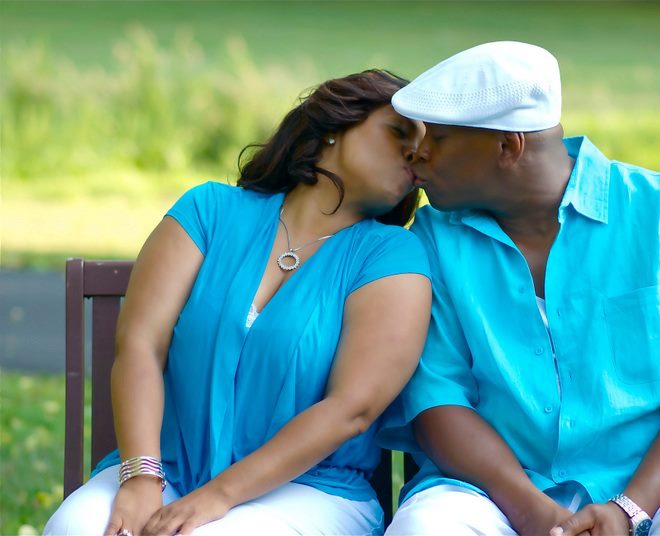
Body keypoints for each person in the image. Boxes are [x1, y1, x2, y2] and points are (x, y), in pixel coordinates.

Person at [378, 42, 660, 536]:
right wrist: (529, 509)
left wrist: (630, 508)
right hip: (483, 492)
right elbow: (438, 399)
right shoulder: (431, 240)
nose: (418, 153)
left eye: (438, 138)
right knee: (426, 529)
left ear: (508, 146)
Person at [45, 69, 432, 536]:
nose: (415, 153)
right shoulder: (209, 211)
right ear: (335, 125)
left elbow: (352, 407)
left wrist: (219, 495)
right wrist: (142, 476)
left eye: (424, 149)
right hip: (167, 469)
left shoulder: (392, 255)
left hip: (310, 489)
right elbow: (142, 344)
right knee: (76, 528)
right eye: (398, 132)